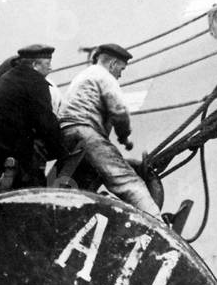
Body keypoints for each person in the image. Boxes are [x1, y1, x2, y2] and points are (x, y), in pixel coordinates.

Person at [58, 43, 160, 217]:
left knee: (75, 184)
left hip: (65, 134)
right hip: (86, 133)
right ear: (112, 64)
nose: (120, 74)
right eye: (121, 69)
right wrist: (124, 137)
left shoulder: (82, 76)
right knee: (127, 181)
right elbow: (118, 111)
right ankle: (156, 223)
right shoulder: (105, 77)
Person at [0, 44, 62, 197]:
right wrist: (60, 149)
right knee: (30, 186)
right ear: (35, 65)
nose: (50, 68)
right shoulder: (37, 83)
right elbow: (46, 122)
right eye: (47, 64)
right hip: (9, 147)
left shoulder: (2, 80)